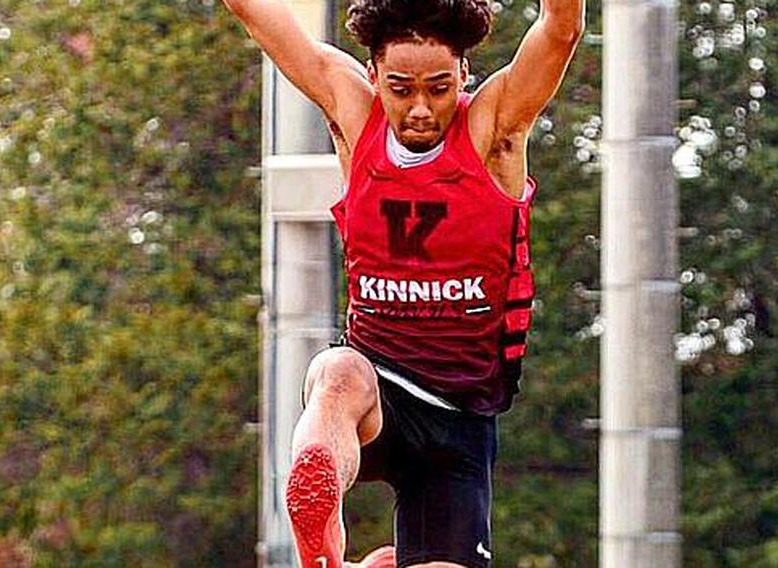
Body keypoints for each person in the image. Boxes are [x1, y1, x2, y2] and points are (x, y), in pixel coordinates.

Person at [220, 0, 584, 566]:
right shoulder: (351, 111)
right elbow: (256, 14)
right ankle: (319, 496)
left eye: (438, 89)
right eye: (401, 89)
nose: (420, 109)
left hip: (459, 419)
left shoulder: (495, 130)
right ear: (373, 76)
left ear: (465, 74)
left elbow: (561, 27)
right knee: (336, 374)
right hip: (377, 384)